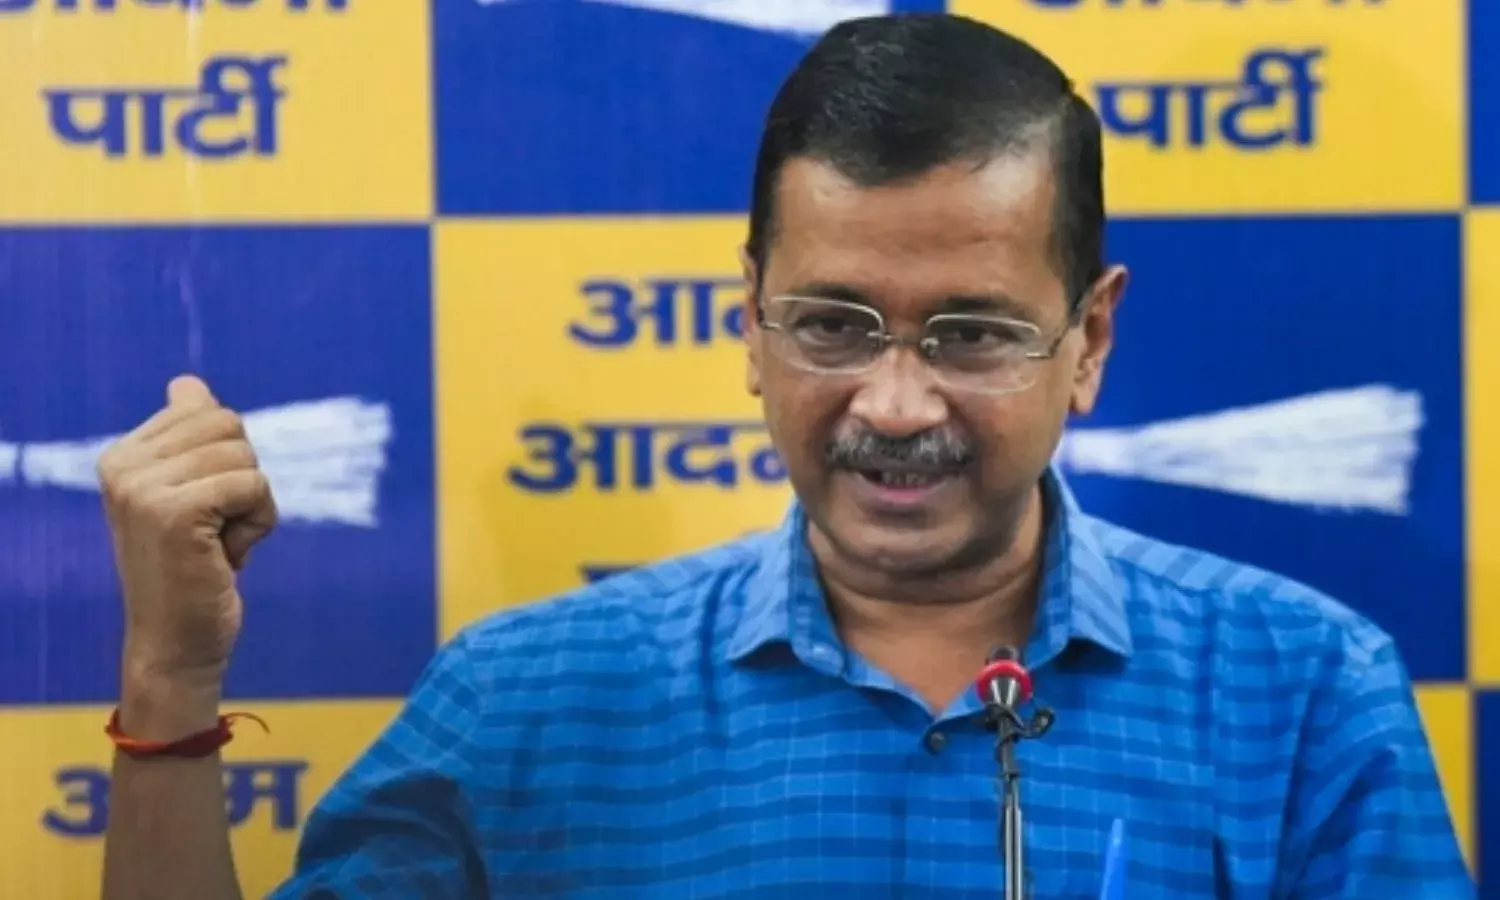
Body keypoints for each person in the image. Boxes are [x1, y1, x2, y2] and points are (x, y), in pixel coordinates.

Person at [97, 13, 1472, 899]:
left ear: (1090, 340)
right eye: (831, 325)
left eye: (973, 334)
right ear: (750, 323)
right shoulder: (528, 701)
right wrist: (170, 681)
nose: (895, 403)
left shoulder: (1298, 690)